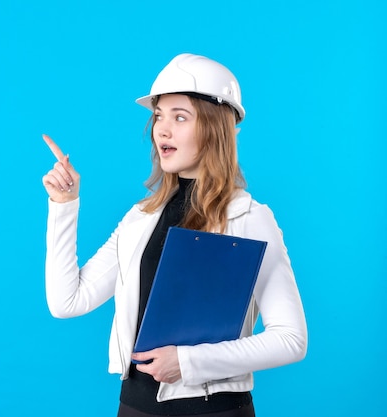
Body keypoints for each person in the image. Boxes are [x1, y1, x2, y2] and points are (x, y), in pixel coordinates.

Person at [41, 53, 307, 417]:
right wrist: (64, 205)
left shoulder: (249, 217)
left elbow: (291, 339)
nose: (161, 130)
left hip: (215, 412)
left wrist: (189, 362)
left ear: (216, 128)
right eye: (158, 116)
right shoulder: (140, 218)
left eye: (180, 117)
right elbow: (66, 302)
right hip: (134, 409)